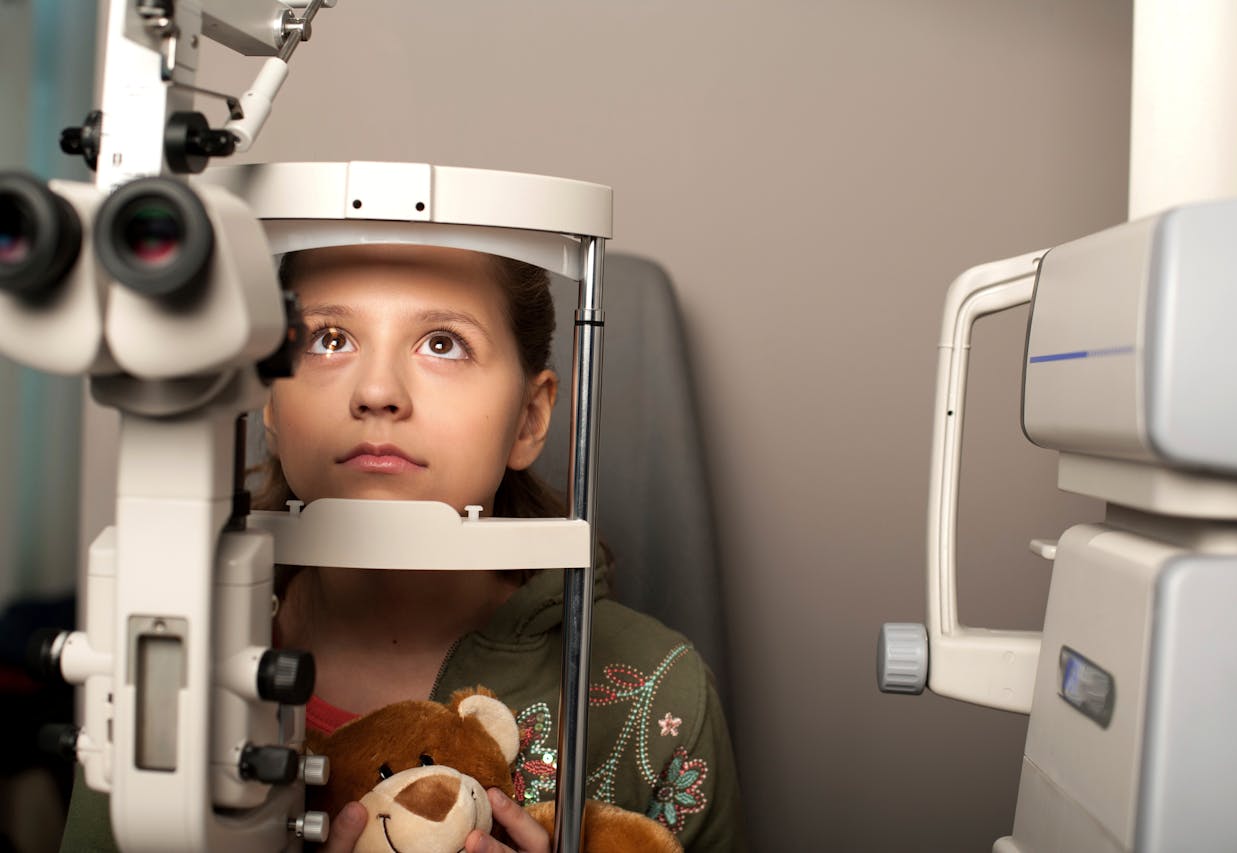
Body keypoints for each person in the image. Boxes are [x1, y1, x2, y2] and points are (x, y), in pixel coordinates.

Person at [59, 243, 745, 853]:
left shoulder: (658, 695)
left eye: (443, 343)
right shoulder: (164, 653)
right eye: (329, 339)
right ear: (266, 398)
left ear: (530, 418)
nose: (378, 392)